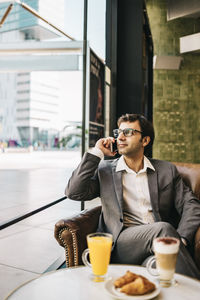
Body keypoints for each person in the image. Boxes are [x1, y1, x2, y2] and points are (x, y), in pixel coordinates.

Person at [66, 113, 200, 279]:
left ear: (145, 140)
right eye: (118, 133)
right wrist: (97, 152)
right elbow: (74, 192)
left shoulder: (166, 170)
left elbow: (191, 205)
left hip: (156, 245)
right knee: (163, 229)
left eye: (128, 132)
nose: (120, 137)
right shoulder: (105, 171)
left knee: (156, 269)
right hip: (121, 243)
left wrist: (181, 240)